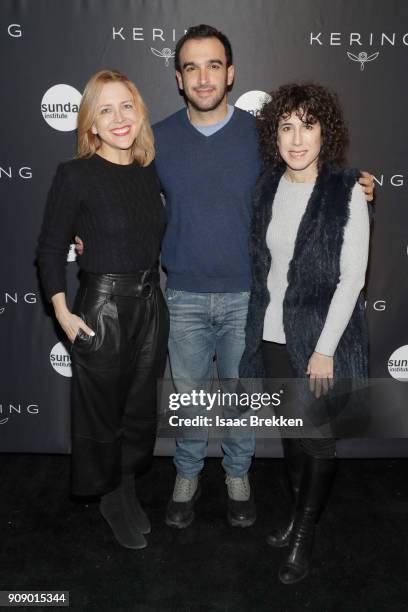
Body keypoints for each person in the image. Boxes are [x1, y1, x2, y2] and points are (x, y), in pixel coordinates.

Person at [76, 26, 375, 530]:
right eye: (191, 66)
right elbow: (121, 191)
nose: (203, 76)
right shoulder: (159, 139)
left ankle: (238, 476)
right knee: (191, 401)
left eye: (214, 64)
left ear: (231, 73)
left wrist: (354, 184)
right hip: (185, 295)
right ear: (178, 78)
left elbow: (307, 172)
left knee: (241, 401)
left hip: (248, 297)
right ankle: (187, 476)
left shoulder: (262, 137)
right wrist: (88, 231)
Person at [239, 82, 371, 583]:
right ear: (275, 134)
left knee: (317, 441)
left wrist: (324, 350)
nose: (297, 139)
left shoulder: (346, 190)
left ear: (325, 132)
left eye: (308, 126)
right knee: (292, 437)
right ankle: (296, 515)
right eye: (286, 127)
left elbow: (352, 277)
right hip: (272, 334)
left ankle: (304, 535)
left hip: (320, 338)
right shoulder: (268, 185)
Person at [37, 69, 169, 550]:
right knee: (104, 415)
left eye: (127, 106)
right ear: (91, 122)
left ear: (139, 113)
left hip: (152, 303)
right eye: (106, 109)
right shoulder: (75, 175)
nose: (119, 118)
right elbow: (51, 248)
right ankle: (112, 498)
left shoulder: (149, 169)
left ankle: (126, 489)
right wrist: (62, 312)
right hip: (104, 306)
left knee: (138, 412)